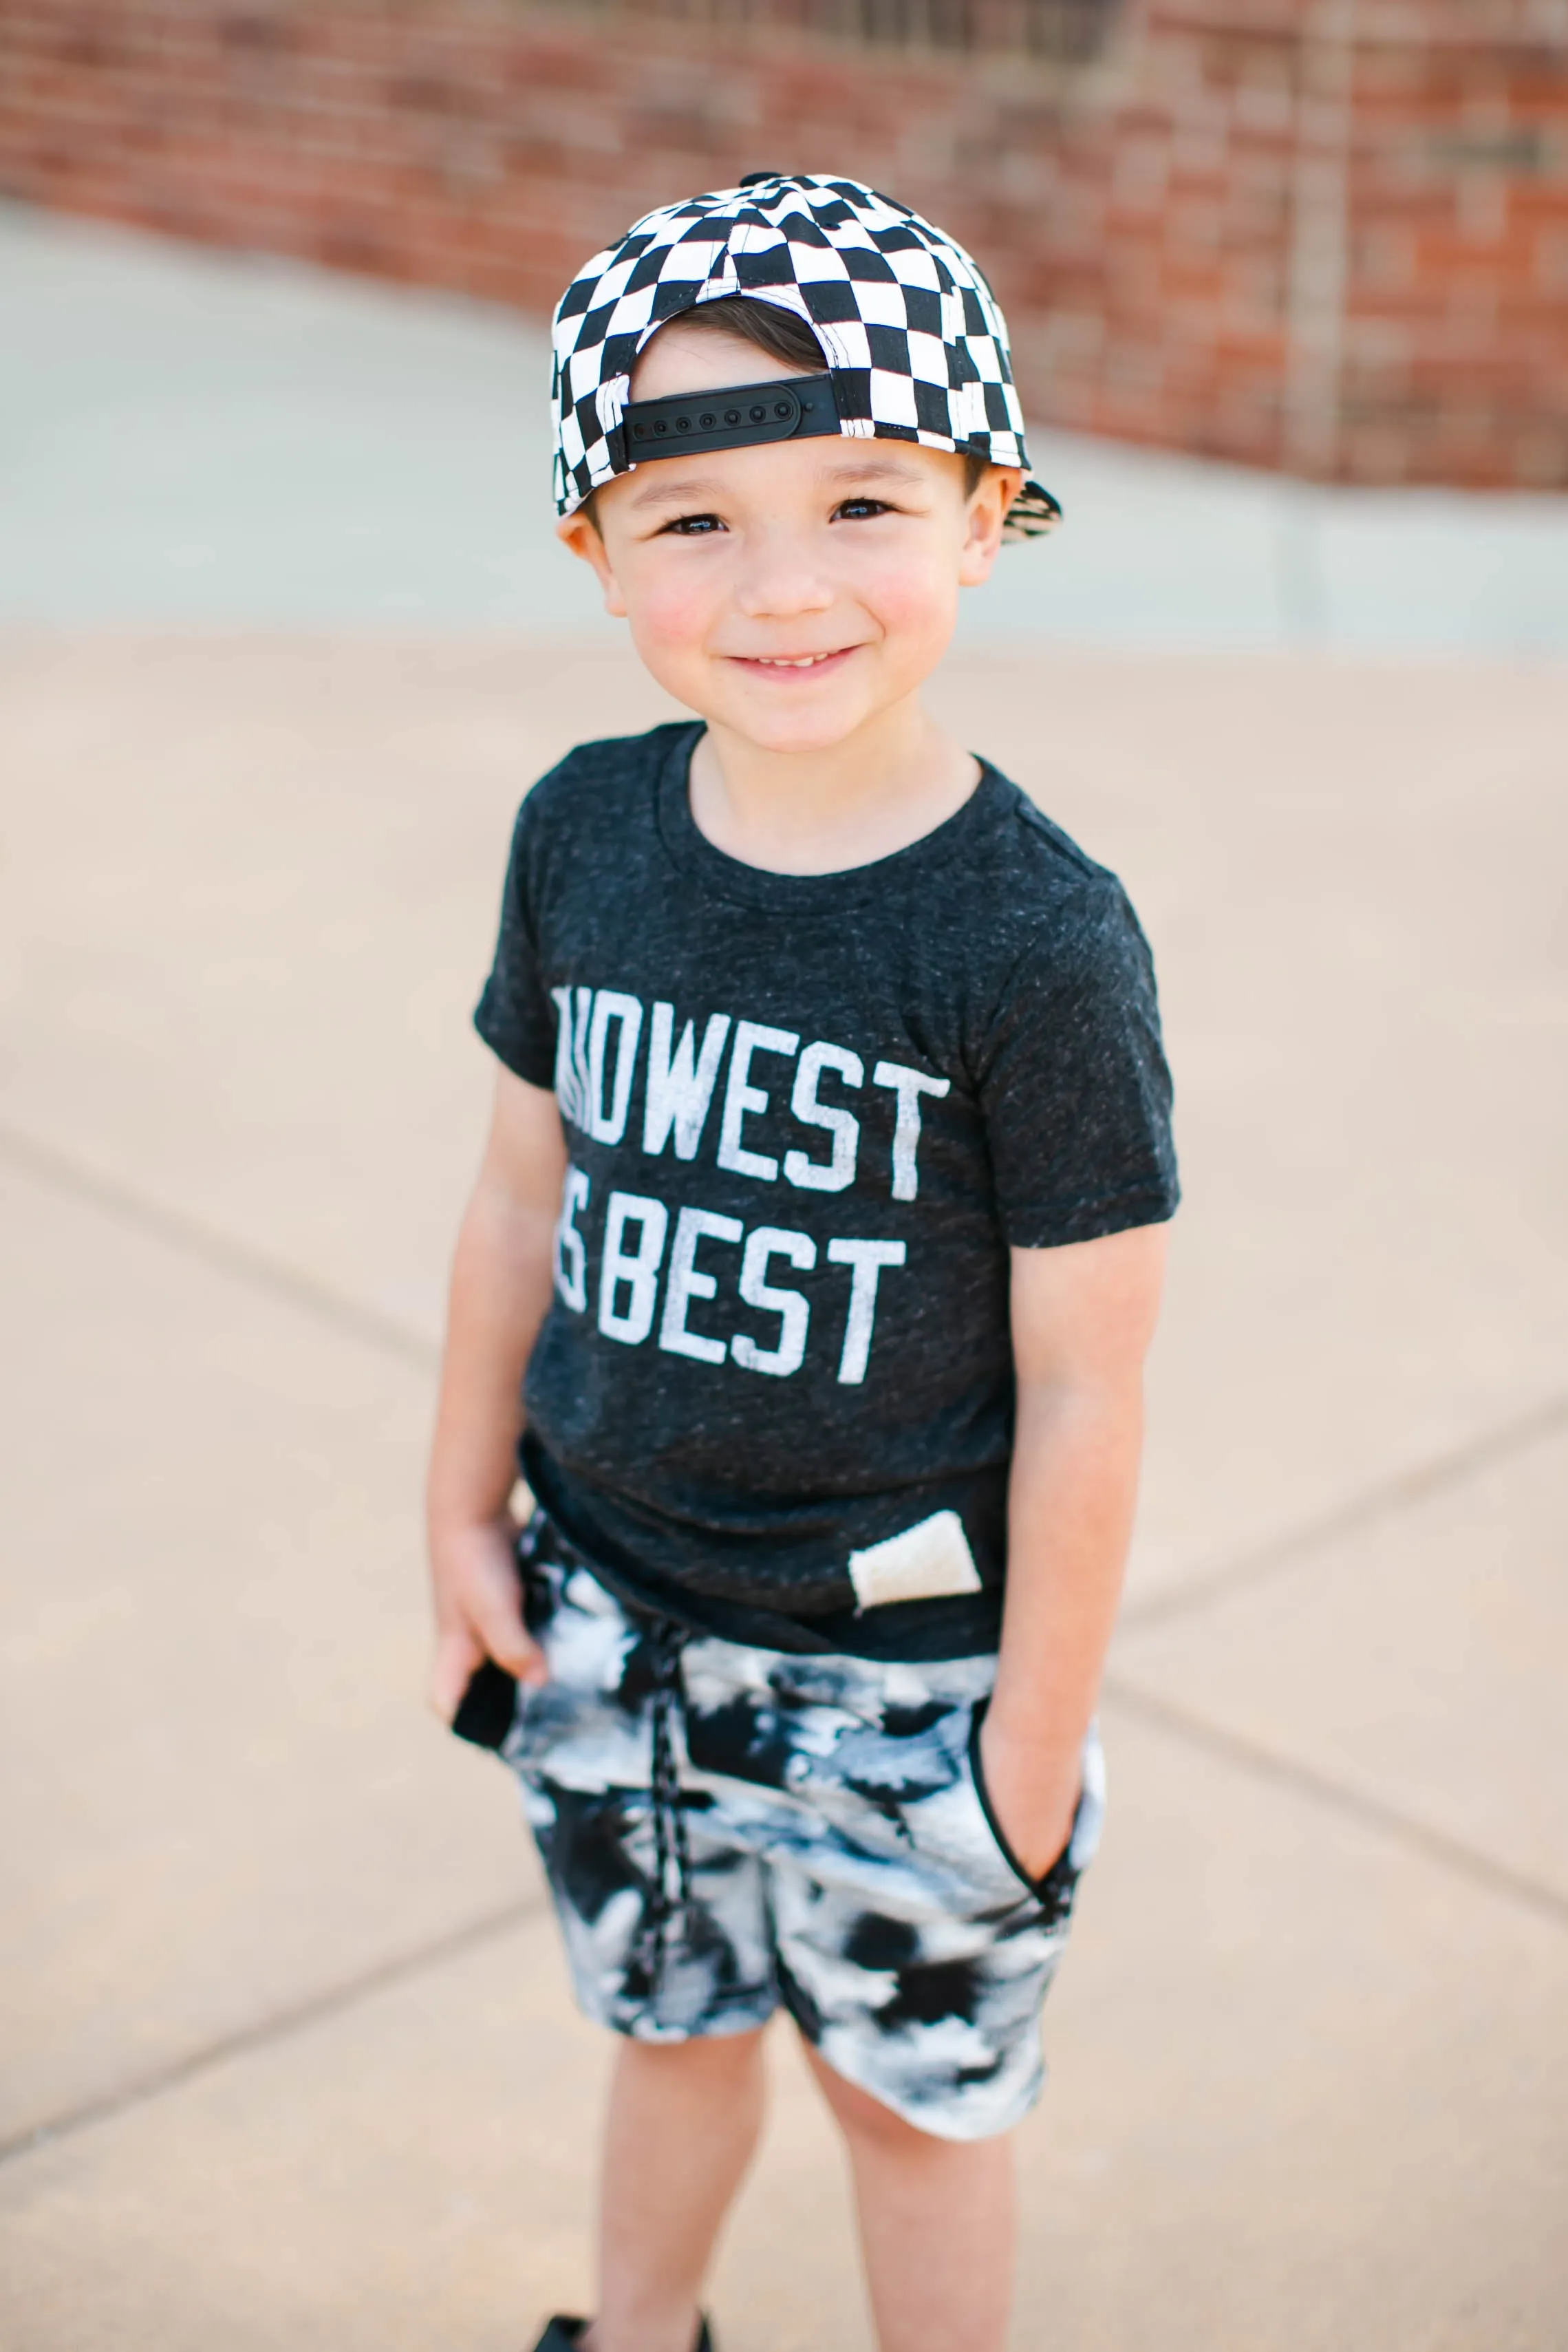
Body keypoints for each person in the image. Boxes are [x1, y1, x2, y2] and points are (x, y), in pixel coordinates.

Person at [425, 173, 1179, 2352]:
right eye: (691, 526)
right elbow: (514, 1197)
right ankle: (633, 2332)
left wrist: (1023, 1745)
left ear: (980, 513)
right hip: (605, 1611)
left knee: (910, 2115)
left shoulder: (1035, 941)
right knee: (663, 2039)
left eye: (860, 505)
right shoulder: (583, 830)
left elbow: (1094, 1383)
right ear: (594, 556)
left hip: (908, 1675)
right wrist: (458, 1504)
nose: (782, 590)